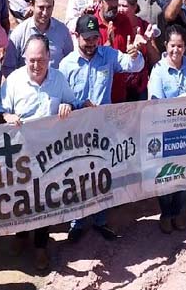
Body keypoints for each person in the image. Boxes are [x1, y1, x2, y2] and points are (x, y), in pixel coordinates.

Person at [59, 14, 144, 241]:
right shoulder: (65, 65)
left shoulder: (108, 55)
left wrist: (135, 54)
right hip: (75, 131)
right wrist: (78, 104)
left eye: (95, 37)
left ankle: (100, 220)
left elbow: (133, 66)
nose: (91, 43)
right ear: (76, 36)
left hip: (103, 129)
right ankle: (77, 222)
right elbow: (61, 99)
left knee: (102, 174)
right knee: (76, 175)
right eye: (86, 38)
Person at [0, 35, 76, 271]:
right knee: (21, 197)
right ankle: (21, 235)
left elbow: (72, 104)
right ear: (24, 59)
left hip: (50, 153)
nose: (36, 65)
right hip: (21, 152)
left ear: (49, 58)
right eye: (31, 60)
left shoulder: (59, 79)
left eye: (40, 60)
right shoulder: (13, 81)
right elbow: (0, 111)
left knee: (45, 200)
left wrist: (68, 107)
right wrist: (6, 117)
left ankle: (41, 246)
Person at [148, 25, 186, 233]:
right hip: (164, 134)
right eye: (173, 46)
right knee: (165, 178)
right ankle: (166, 213)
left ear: (185, 47)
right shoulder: (158, 71)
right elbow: (155, 104)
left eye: (180, 46)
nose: (176, 50)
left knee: (183, 176)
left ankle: (178, 212)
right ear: (166, 46)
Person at [4, 0, 74, 76]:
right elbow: (8, 67)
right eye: (41, 8)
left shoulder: (63, 32)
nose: (45, 13)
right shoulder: (19, 34)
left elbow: (70, 62)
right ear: (31, 5)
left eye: (49, 7)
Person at [116, 0, 161, 102]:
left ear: (134, 6)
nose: (120, 9)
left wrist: (148, 43)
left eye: (124, 6)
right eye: (118, 5)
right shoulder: (114, 27)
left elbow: (156, 61)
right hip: (119, 87)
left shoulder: (145, 26)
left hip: (139, 88)